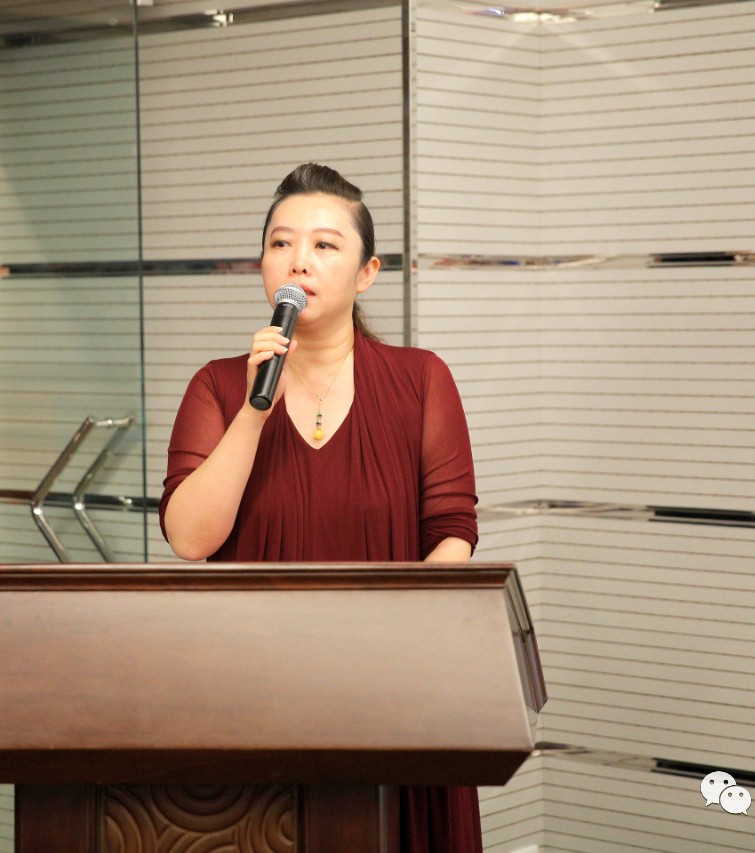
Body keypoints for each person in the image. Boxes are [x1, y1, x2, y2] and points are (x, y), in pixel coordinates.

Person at [159, 163, 482, 852]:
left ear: (367, 273)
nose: (298, 259)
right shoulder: (219, 386)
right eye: (281, 243)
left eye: (324, 244)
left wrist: (399, 644)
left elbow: (453, 533)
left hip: (393, 691)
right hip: (255, 692)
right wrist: (254, 412)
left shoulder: (422, 379)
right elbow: (189, 538)